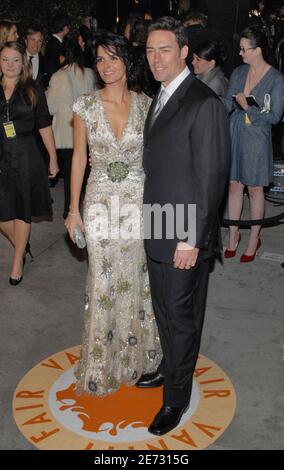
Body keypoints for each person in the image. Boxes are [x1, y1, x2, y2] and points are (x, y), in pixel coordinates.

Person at [136, 16, 230, 436]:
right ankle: (168, 367)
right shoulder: (160, 96)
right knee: (164, 310)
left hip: (183, 234)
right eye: (150, 50)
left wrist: (193, 239)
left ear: (184, 52)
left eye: (165, 50)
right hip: (157, 226)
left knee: (181, 316)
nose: (156, 59)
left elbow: (211, 179)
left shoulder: (203, 102)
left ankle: (176, 397)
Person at [65, 33, 161, 397]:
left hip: (138, 202)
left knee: (137, 276)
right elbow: (77, 159)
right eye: (100, 59)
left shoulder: (146, 105)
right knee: (103, 279)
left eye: (113, 58)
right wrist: (73, 210)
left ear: (127, 61)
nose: (106, 66)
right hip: (100, 202)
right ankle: (102, 362)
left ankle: (138, 356)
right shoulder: (84, 106)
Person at [223, 26, 284, 262]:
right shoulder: (238, 72)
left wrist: (249, 108)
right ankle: (233, 236)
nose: (240, 53)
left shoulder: (276, 79)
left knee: (255, 189)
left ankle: (253, 240)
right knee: (234, 186)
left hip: (257, 137)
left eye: (244, 49)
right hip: (235, 133)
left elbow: (276, 116)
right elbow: (227, 105)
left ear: (257, 50)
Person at [0, 41, 58, 285]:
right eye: (5, 59)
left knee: (22, 209)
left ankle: (16, 263)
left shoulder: (33, 89)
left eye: (15, 59)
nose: (10, 65)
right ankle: (21, 245)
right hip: (1, 154)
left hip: (26, 154)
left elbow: (44, 125)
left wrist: (53, 157)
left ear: (22, 62)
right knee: (3, 214)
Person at [46, 33, 95, 219]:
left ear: (62, 56)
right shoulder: (90, 74)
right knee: (85, 180)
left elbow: (50, 107)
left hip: (67, 136)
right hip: (87, 135)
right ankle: (84, 213)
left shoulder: (58, 76)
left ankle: (70, 214)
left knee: (70, 182)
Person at [24, 24, 47, 89]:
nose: (36, 44)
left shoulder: (45, 62)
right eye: (32, 40)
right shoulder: (17, 58)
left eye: (39, 41)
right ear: (26, 41)